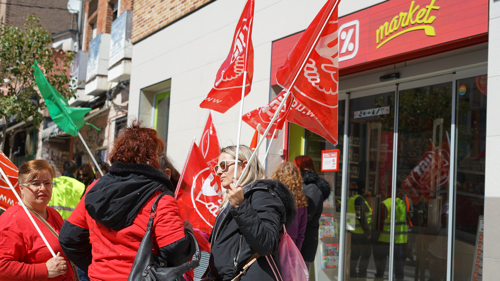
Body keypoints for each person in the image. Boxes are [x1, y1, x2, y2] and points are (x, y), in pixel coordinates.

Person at [58, 121, 196, 280]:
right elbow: (175, 251)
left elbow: (68, 238)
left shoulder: (95, 188)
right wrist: (188, 234)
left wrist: (99, 266)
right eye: (159, 154)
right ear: (153, 158)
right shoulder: (160, 198)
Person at [206, 145, 296, 280]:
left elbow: (267, 243)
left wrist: (240, 206)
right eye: (217, 167)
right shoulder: (233, 198)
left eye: (224, 165)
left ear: (244, 166)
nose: (218, 172)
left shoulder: (262, 195)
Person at [0, 160, 76, 280]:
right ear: (21, 188)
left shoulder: (54, 214)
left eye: (47, 183)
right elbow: (2, 267)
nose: (43, 188)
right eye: (35, 183)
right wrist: (44, 270)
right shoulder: (11, 221)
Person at [293, 155, 331, 271]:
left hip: (305, 240)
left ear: (301, 167)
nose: (293, 169)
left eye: (295, 166)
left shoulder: (311, 188)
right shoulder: (303, 185)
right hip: (300, 239)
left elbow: (307, 215)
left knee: (301, 275)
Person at [271, 162, 308, 250]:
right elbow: (301, 232)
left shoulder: (273, 196)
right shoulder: (301, 201)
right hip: (291, 244)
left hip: (274, 242)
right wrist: (297, 250)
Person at [374, 187, 408, 281]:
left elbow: (379, 220)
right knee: (398, 263)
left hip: (385, 238)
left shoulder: (387, 203)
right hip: (398, 239)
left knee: (382, 263)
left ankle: (380, 278)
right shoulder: (404, 203)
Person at [347, 182, 372, 280]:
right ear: (363, 190)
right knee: (365, 255)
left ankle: (352, 274)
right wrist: (367, 232)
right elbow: (361, 216)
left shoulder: (351, 199)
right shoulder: (359, 199)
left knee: (354, 256)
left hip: (353, 232)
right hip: (361, 234)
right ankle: (361, 275)